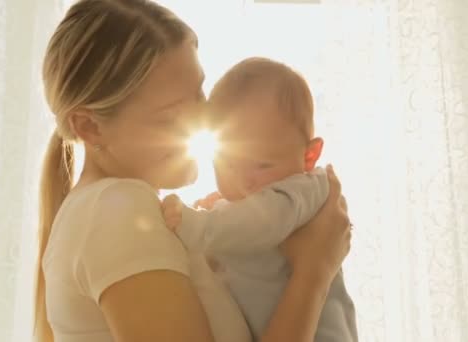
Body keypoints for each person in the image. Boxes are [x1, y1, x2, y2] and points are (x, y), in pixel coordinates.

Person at [34, 1, 352, 341]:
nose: (207, 119)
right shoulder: (117, 209)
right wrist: (313, 272)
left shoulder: (111, 211)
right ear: (90, 127)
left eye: (201, 92)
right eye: (173, 112)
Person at [161, 57, 358, 341]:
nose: (243, 180)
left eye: (263, 165)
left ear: (309, 155)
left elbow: (263, 223)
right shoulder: (234, 210)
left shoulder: (308, 188)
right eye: (227, 162)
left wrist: (198, 224)